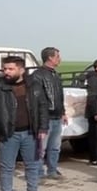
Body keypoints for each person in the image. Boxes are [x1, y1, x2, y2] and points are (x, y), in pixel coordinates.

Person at [0, 55, 50, 191]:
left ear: (21, 70)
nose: (6, 72)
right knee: (7, 167)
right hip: (8, 134)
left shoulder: (34, 85)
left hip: (30, 133)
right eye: (5, 68)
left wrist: (43, 128)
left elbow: (42, 107)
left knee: (32, 164)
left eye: (10, 69)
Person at [32, 47, 66, 180]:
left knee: (55, 147)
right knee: (41, 148)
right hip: (45, 118)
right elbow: (36, 99)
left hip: (57, 117)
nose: (60, 59)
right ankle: (38, 172)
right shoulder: (38, 75)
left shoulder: (55, 75)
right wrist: (41, 117)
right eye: (58, 56)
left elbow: (59, 96)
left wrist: (62, 112)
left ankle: (52, 170)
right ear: (50, 58)